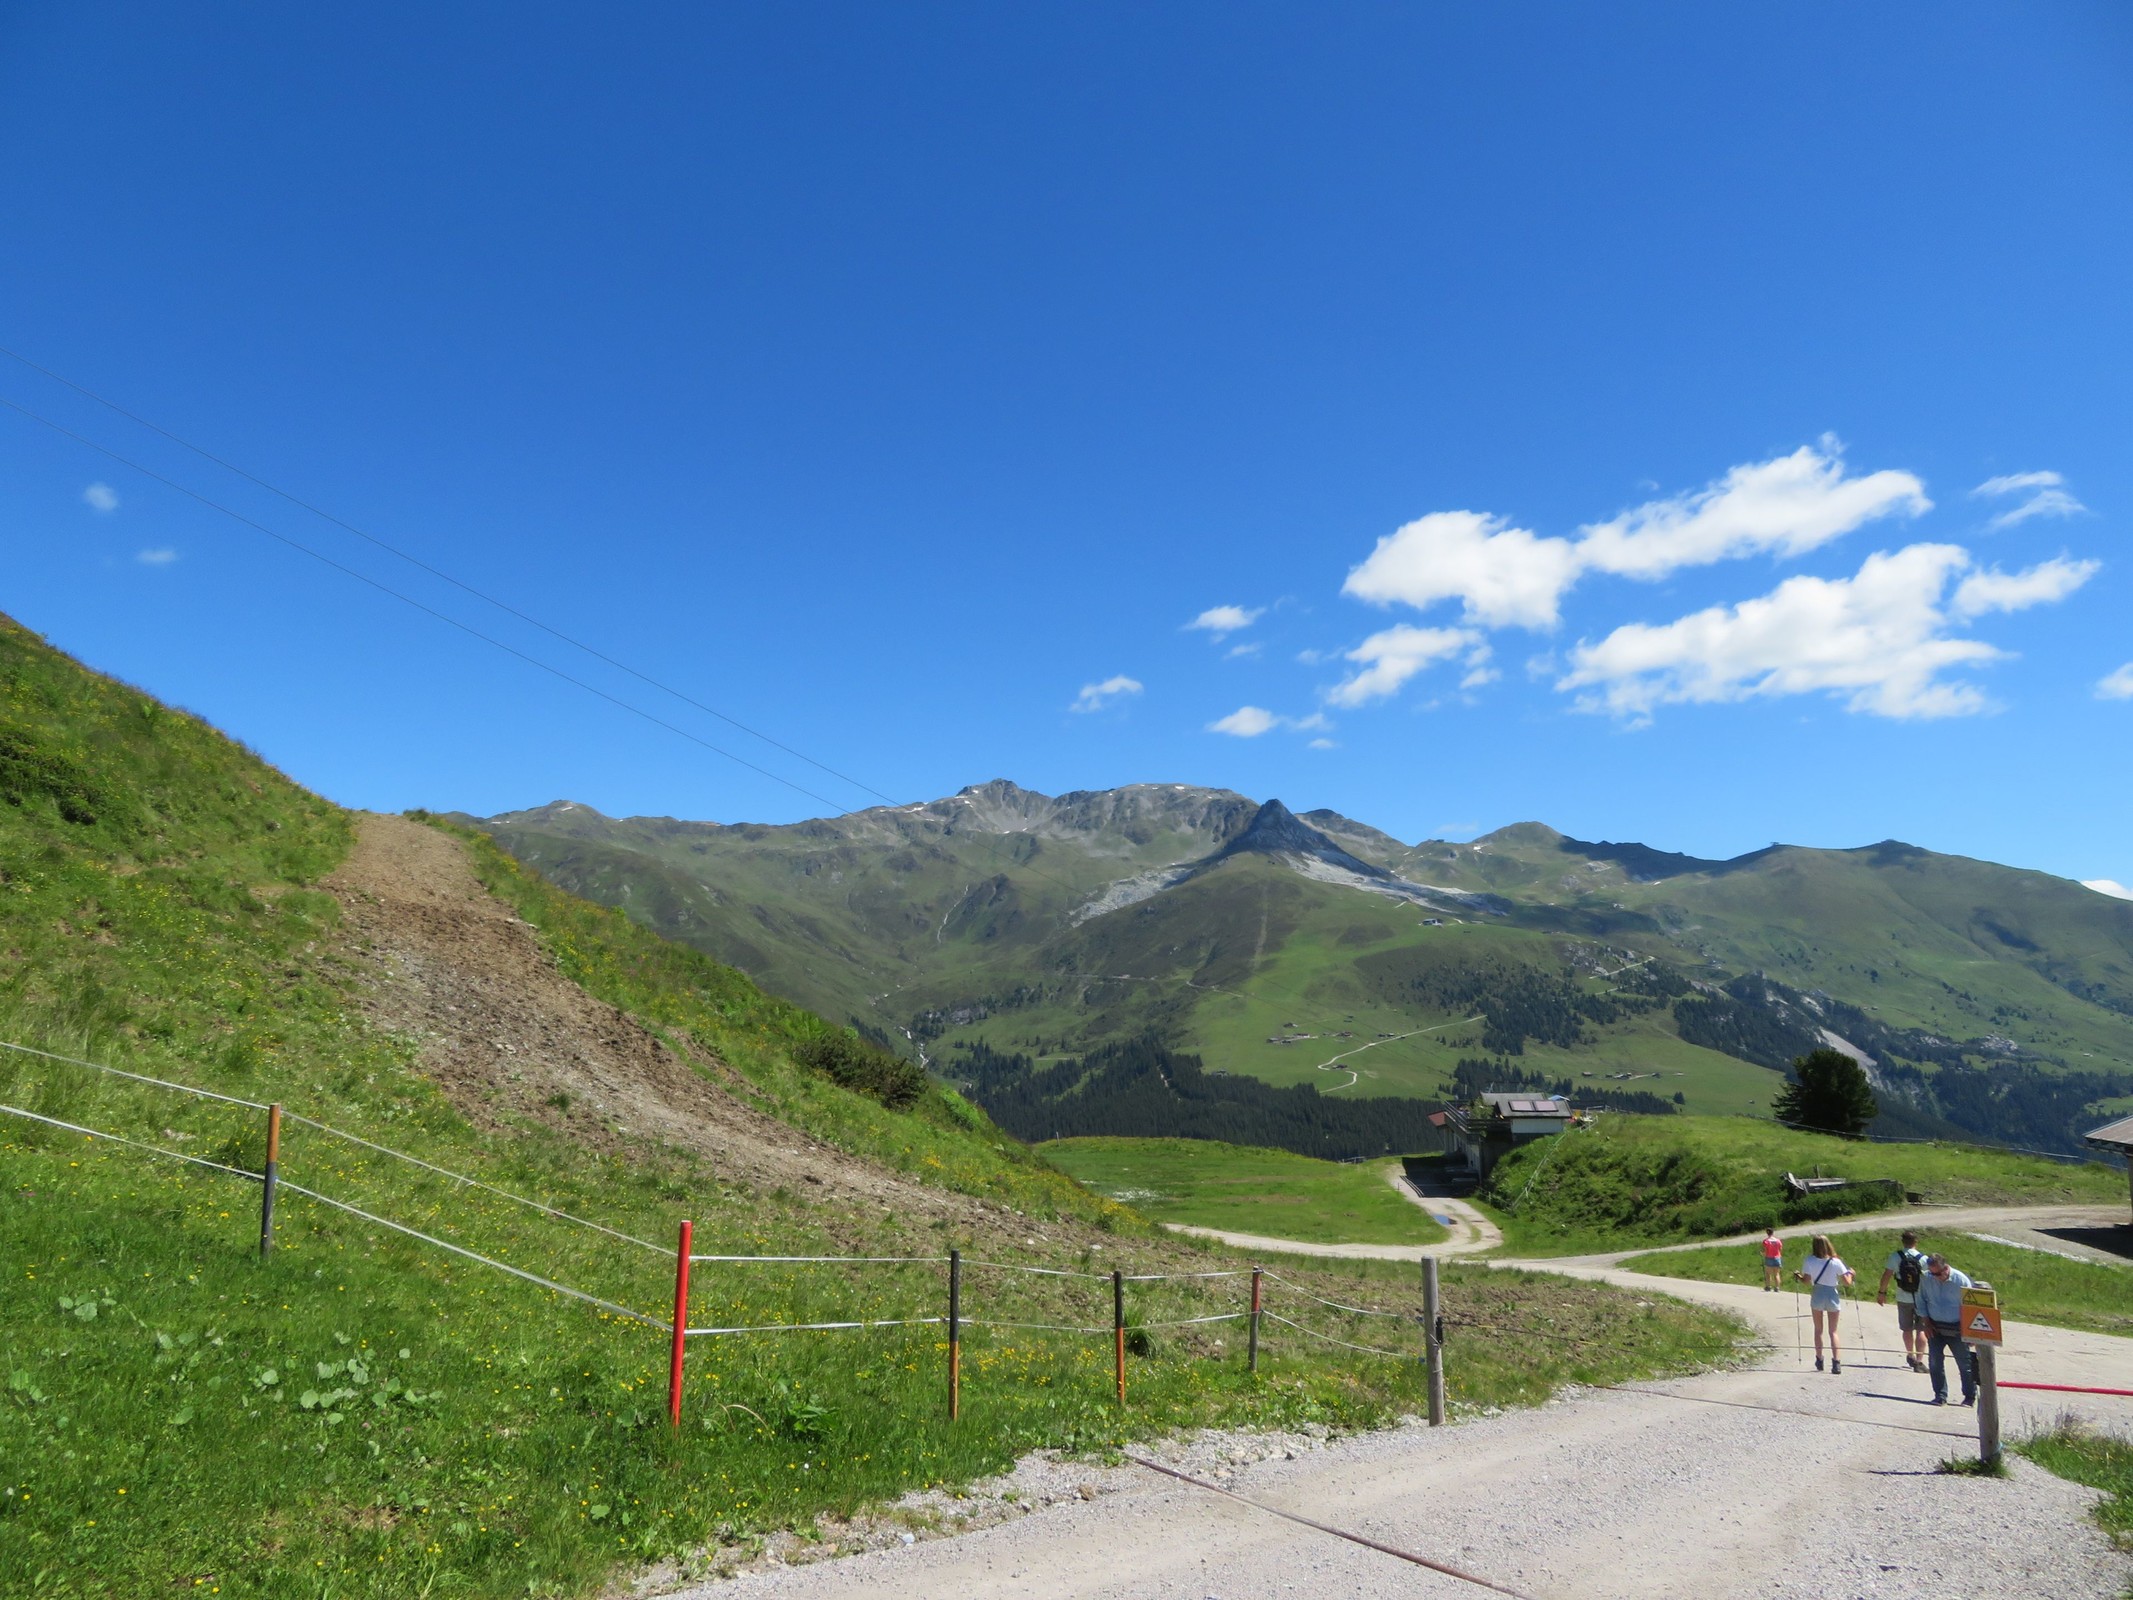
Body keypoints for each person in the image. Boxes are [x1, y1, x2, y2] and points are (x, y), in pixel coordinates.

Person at [1913, 1253, 1980, 1407]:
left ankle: (1969, 1396)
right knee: (1935, 1362)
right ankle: (1940, 1395)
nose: (1935, 1276)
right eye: (1932, 1273)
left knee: (1964, 1364)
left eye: (1937, 1273)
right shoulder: (1926, 1278)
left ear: (1946, 1268)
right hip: (1935, 1326)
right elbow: (1921, 1300)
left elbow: (1970, 1307)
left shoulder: (1961, 1280)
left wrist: (1969, 1332)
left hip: (1958, 1327)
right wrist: (1926, 1324)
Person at [1794, 1234, 1854, 1373]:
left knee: (1818, 1330)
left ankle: (1819, 1359)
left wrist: (1799, 1276)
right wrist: (1851, 1273)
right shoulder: (1836, 1262)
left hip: (1817, 1293)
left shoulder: (1809, 1260)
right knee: (1833, 1331)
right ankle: (1836, 1362)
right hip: (1832, 1294)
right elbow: (1847, 1282)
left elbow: (1807, 1281)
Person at [1876, 1230, 1929, 1372]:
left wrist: (1882, 1293)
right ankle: (1919, 1361)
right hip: (1920, 1299)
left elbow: (1886, 1275)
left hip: (1902, 1297)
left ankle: (1910, 1354)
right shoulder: (1923, 1259)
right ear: (1915, 1242)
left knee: (1906, 1329)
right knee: (1921, 1330)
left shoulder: (1895, 1256)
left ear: (1902, 1241)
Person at [1760, 1226, 1784, 1292]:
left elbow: (1765, 1251)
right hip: (1777, 1258)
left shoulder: (1766, 1241)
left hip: (1769, 1258)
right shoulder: (1778, 1241)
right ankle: (1777, 1287)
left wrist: (1762, 1254)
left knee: (1768, 1273)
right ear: (1773, 1232)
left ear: (1767, 1233)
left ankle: (1768, 1286)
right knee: (1776, 1274)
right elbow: (1780, 1249)